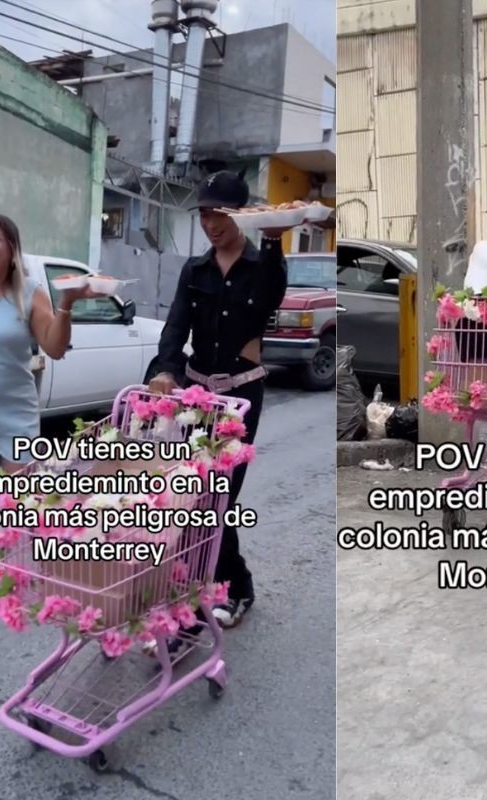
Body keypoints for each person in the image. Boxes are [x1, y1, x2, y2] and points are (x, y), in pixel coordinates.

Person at [148, 170, 289, 628]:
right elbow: (174, 328)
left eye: (220, 213)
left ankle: (236, 587)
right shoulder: (195, 270)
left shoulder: (263, 265)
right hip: (194, 394)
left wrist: (272, 242)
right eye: (205, 213)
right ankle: (191, 585)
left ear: (240, 216)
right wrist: (165, 370)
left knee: (217, 498)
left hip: (241, 395)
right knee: (188, 495)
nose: (211, 222)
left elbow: (269, 300)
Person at [0, 215, 98, 616]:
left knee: (24, 501)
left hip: (14, 412)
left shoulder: (29, 293)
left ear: (12, 248)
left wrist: (65, 305)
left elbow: (54, 347)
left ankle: (22, 575)